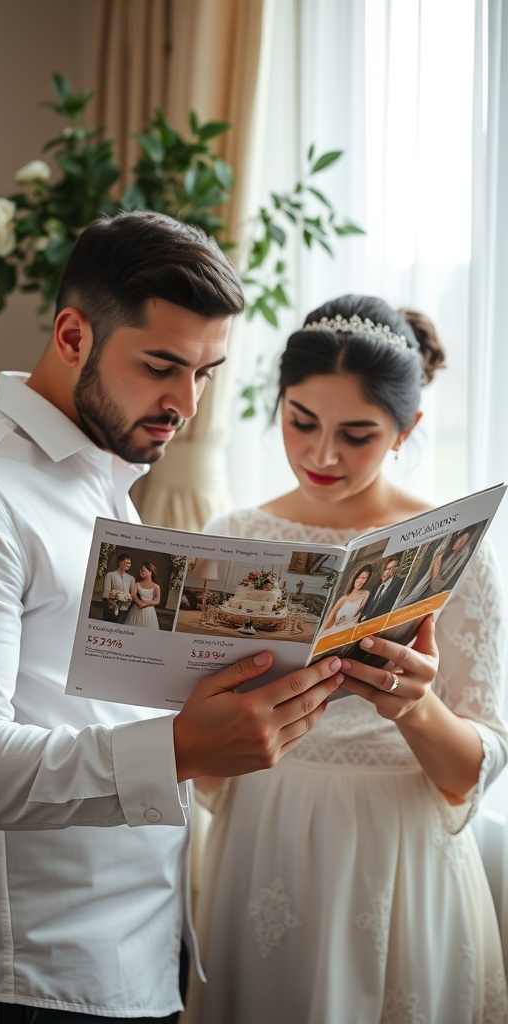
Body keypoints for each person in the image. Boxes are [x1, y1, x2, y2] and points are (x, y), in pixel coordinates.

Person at [0, 212, 346, 1023]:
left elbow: (91, 704)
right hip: (38, 974)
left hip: (147, 944)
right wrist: (178, 746)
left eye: (207, 373)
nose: (186, 403)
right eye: (162, 365)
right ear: (72, 334)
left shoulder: (106, 477)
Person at [184, 294, 508, 1024]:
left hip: (399, 848)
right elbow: (206, 765)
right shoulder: (236, 535)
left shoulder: (455, 555)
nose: (321, 455)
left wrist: (415, 705)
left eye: (356, 435)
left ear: (406, 430)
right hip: (267, 833)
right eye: (300, 422)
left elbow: (468, 774)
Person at [403, 527, 477, 605]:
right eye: (460, 539)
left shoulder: (463, 553)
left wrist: (436, 565)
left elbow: (437, 586)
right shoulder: (448, 542)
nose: (459, 543)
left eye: (463, 542)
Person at [320, 562, 373, 631]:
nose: (360, 581)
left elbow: (360, 614)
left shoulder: (366, 594)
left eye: (364, 578)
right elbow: (329, 622)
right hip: (335, 630)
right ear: (354, 578)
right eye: (358, 577)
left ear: (368, 579)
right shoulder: (343, 599)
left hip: (350, 629)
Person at [359, 553, 405, 621]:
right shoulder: (376, 586)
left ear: (395, 569)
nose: (386, 572)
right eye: (386, 569)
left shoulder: (399, 583)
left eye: (390, 569)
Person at [127, 561, 161, 630]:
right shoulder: (137, 584)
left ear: (150, 572)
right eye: (141, 570)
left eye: (143, 571)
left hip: (148, 612)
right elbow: (133, 595)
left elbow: (157, 601)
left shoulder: (156, 587)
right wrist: (139, 602)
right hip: (136, 610)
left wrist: (146, 603)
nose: (141, 572)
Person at [103, 550, 135, 621]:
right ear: (120, 563)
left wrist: (126, 601)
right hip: (111, 608)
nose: (129, 565)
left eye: (130, 563)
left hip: (125, 610)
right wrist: (114, 603)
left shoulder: (131, 578)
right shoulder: (110, 575)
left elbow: (132, 594)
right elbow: (106, 593)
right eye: (127, 562)